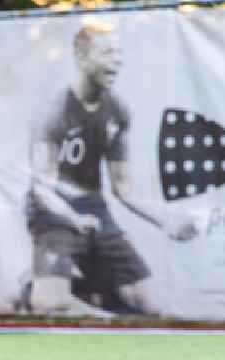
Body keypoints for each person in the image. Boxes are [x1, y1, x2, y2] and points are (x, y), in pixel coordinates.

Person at [24, 23, 196, 316]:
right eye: (107, 53)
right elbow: (41, 188)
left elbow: (123, 189)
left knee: (148, 305)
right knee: (49, 304)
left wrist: (166, 221)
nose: (117, 60)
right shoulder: (53, 112)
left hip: (94, 210)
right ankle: (46, 288)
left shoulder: (117, 111)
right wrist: (74, 219)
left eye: (119, 53)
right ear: (81, 58)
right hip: (53, 213)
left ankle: (85, 288)